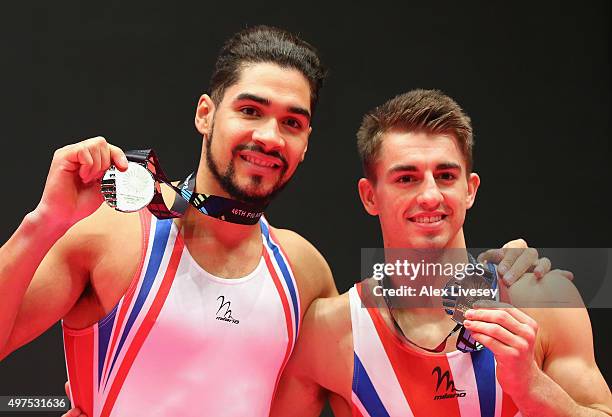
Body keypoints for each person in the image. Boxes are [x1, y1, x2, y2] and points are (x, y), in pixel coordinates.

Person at [0, 26, 546, 417]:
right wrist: (42, 223)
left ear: (305, 145)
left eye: (292, 122)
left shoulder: (304, 270)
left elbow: (406, 343)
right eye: (250, 110)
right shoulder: (112, 235)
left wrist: (494, 272)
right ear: (205, 114)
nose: (269, 136)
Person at [270, 90, 612, 417]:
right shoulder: (329, 333)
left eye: (446, 176)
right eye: (407, 178)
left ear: (470, 189)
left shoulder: (544, 301)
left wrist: (532, 387)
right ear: (370, 196)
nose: (431, 195)